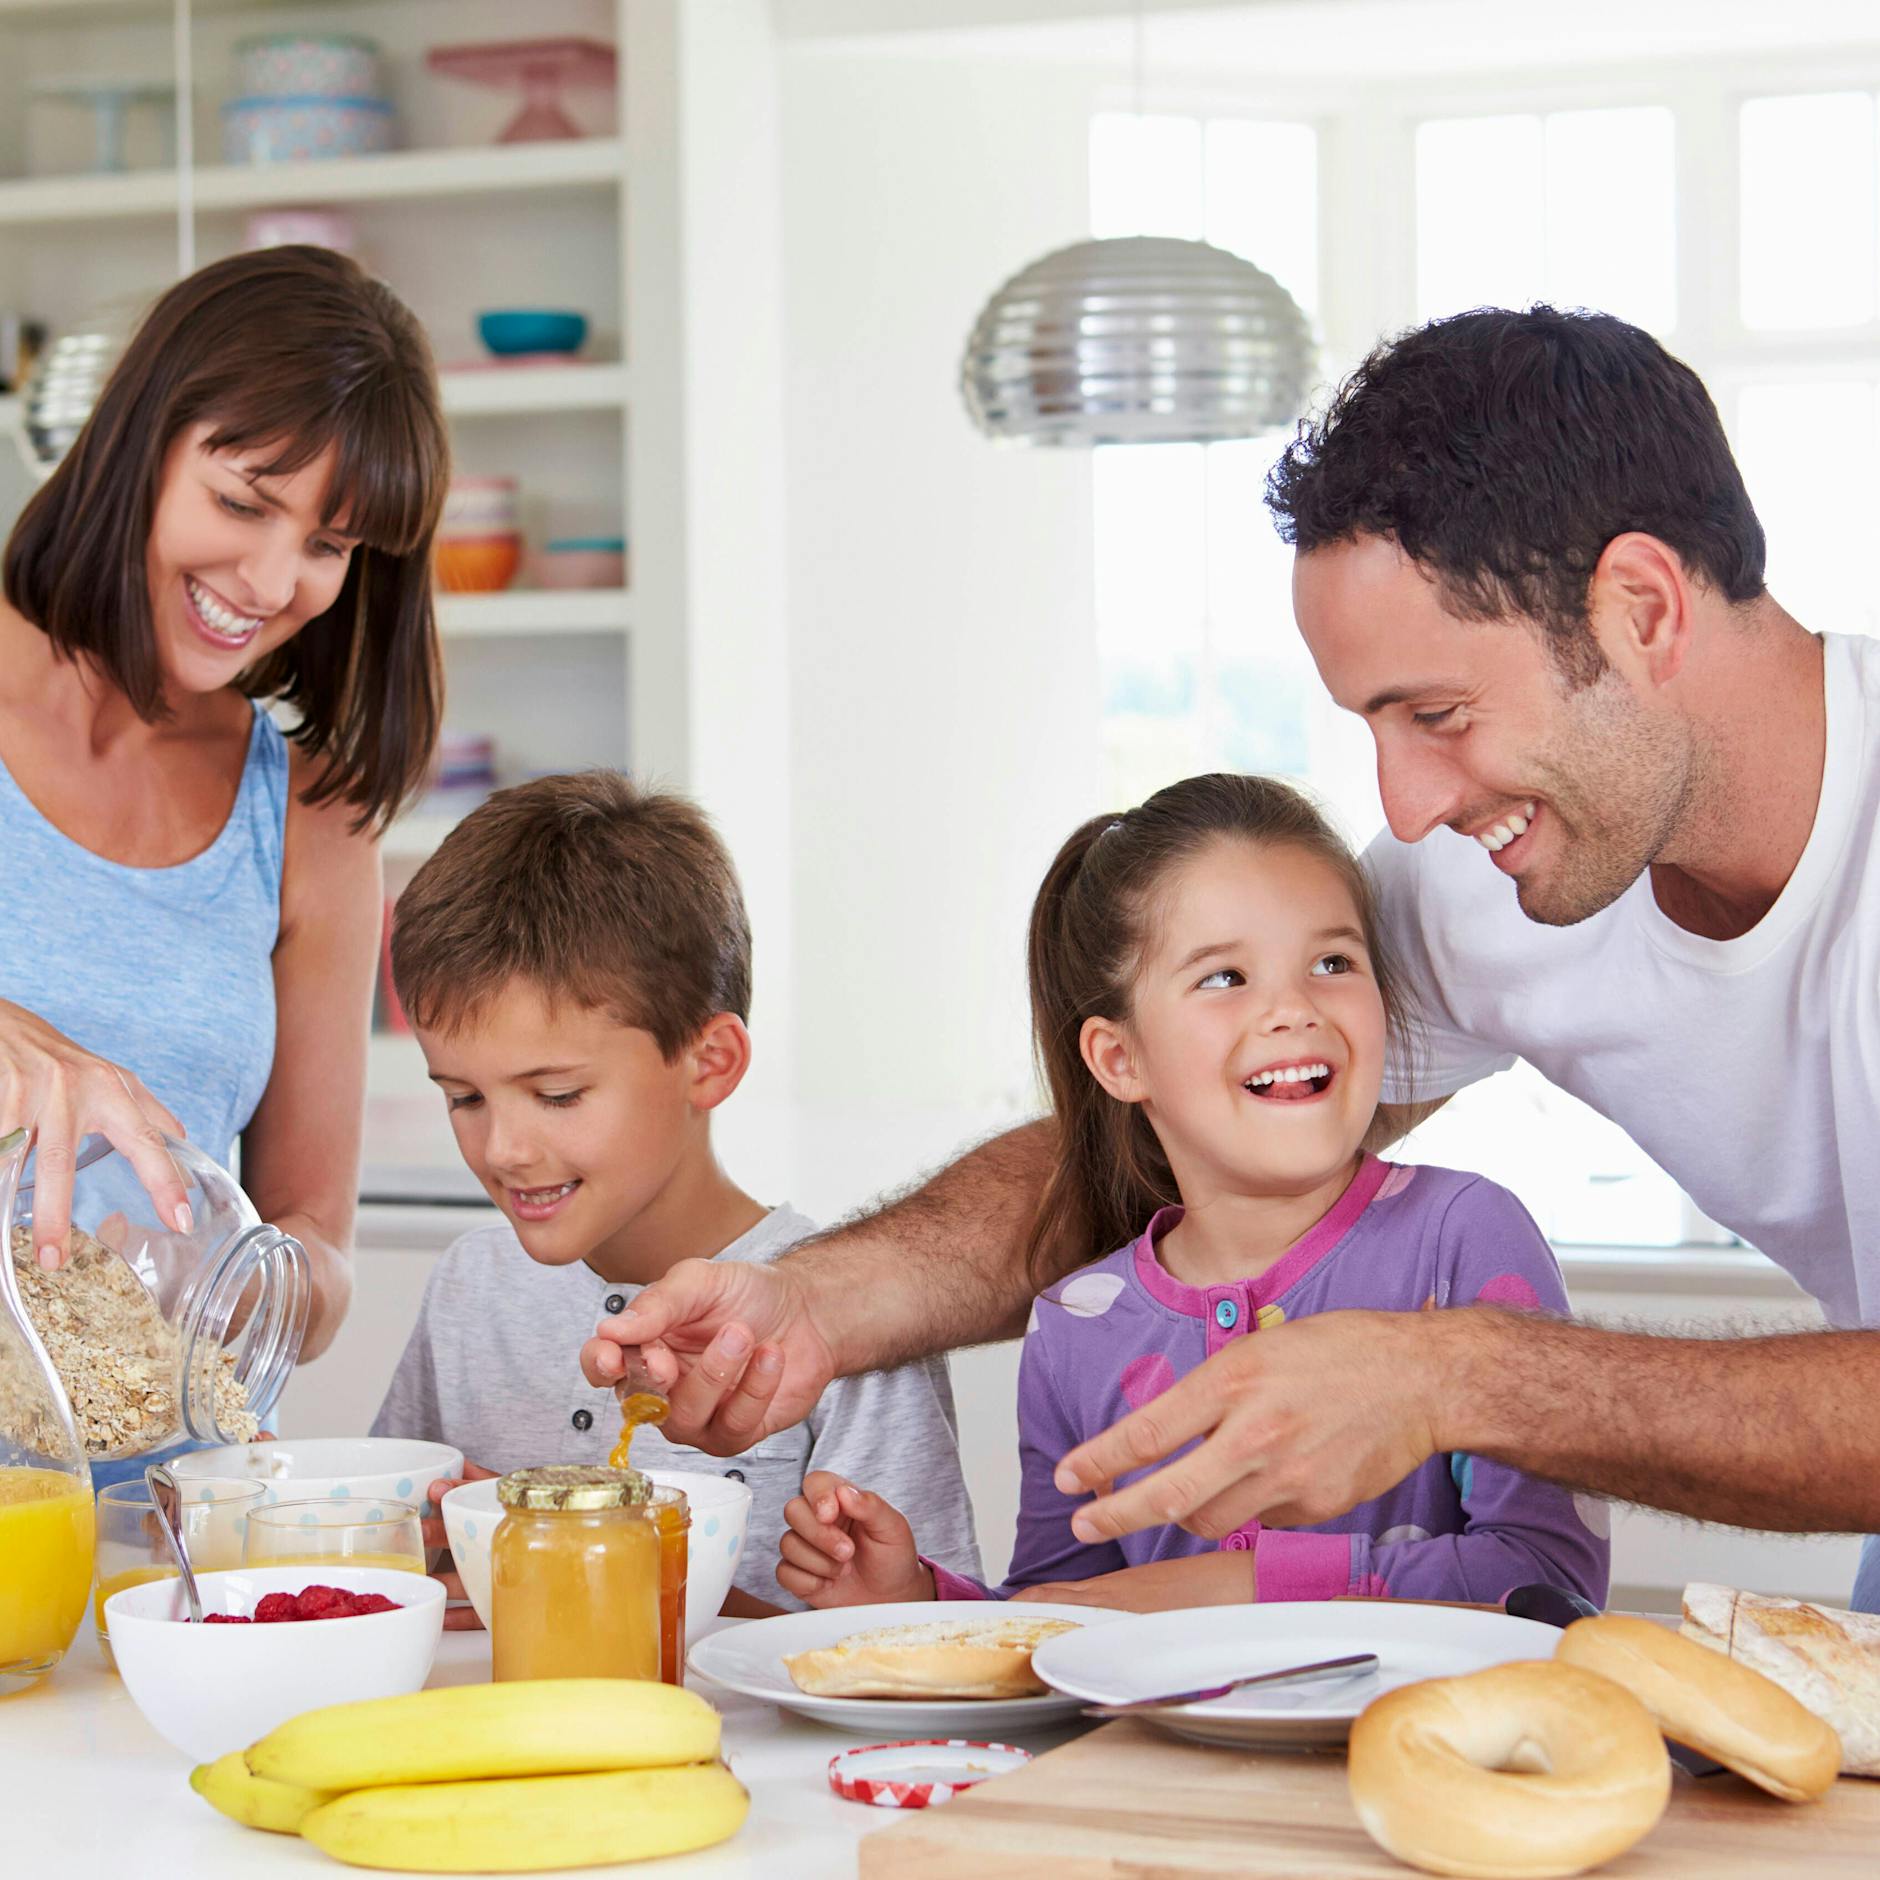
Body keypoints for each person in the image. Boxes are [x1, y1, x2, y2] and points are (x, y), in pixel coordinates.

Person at [582, 306, 1880, 1612]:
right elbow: (1173, 1138)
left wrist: (1455, 1374)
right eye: (1379, 727)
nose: (1411, 806)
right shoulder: (1498, 871)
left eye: (1438, 715)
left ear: (1642, 610)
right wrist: (809, 1309)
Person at [775, 774, 1606, 1615]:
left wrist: (1241, 1585)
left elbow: (1547, 1580)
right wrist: (921, 1598)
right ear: (1118, 1060)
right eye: (1224, 978)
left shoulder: (1465, 1238)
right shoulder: (1076, 1326)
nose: (1292, 1008)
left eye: (1333, 961)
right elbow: (1063, 1618)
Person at [0, 246, 447, 1482]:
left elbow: (319, 1241)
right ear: (142, 441)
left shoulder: (309, 819)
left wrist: (239, 1287)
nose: (270, 582)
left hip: (151, 1534)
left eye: (332, 543)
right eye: (244, 501)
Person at [369, 771, 981, 1623]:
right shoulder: (471, 1288)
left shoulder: (846, 1312)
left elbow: (931, 1645)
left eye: (556, 1096)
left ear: (709, 1062)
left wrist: (618, 1574)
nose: (502, 1149)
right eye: (464, 1097)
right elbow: (387, 1557)